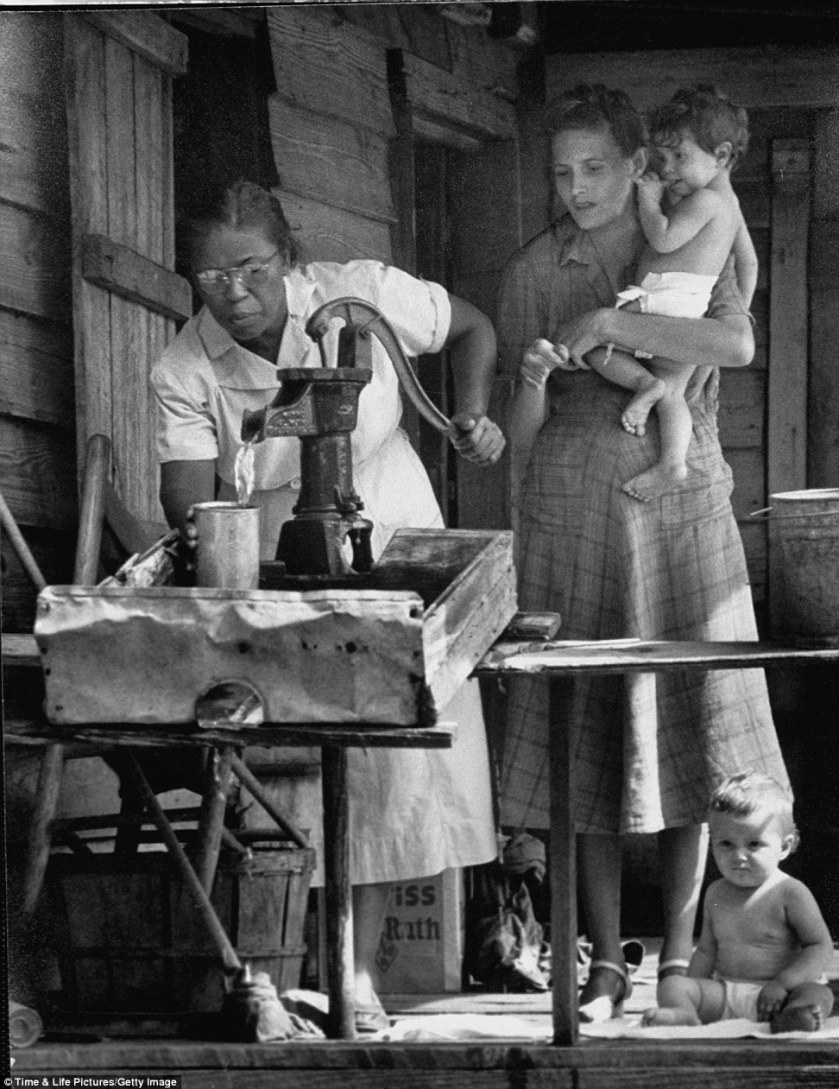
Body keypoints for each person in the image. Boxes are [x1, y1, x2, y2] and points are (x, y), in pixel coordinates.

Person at [150, 177, 505, 1032]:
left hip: (392, 530)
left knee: (387, 761)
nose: (234, 293)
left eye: (252, 269)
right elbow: (186, 498)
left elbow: (472, 328)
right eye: (211, 278)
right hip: (276, 556)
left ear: (288, 258)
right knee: (294, 756)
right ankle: (281, 969)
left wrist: (471, 412)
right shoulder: (184, 365)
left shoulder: (361, 297)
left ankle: (355, 970)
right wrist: (243, 479)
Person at [496, 84, 790, 1024]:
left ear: (637, 165)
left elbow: (734, 342)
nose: (575, 188)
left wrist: (614, 323)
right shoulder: (534, 269)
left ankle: (675, 954)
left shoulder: (694, 228)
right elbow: (519, 431)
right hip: (573, 512)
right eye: (560, 172)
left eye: (594, 167)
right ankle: (601, 961)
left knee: (691, 732)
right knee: (581, 732)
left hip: (680, 509)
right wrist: (534, 378)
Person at [586, 85, 758, 503]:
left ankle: (644, 385)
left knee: (592, 348)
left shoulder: (704, 201)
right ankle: (673, 463)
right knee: (675, 394)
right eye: (664, 158)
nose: (668, 170)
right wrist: (731, 317)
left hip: (664, 305)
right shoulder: (731, 205)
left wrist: (649, 202)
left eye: (680, 156)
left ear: (721, 156)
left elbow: (663, 239)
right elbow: (749, 263)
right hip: (691, 313)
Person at [643, 772, 834, 1032]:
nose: (739, 856)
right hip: (727, 993)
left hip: (781, 994)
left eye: (753, 844)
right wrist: (694, 989)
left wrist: (783, 984)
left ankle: (793, 1018)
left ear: (784, 846)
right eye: (726, 844)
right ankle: (685, 1014)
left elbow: (820, 946)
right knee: (672, 984)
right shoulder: (715, 894)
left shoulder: (790, 892)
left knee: (818, 994)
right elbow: (707, 950)